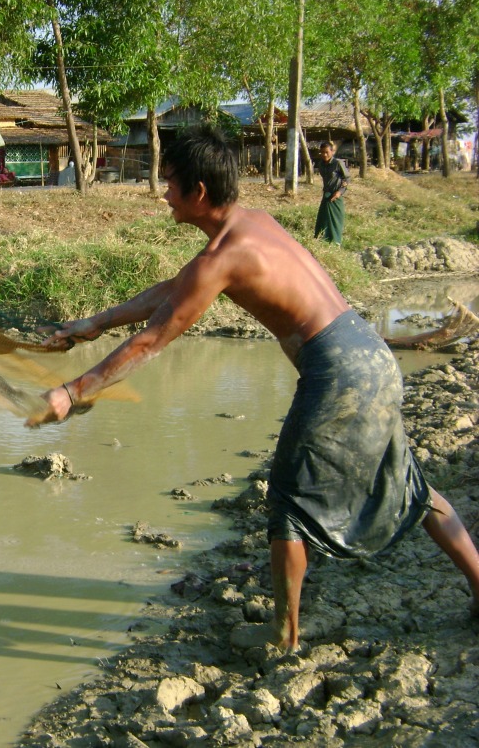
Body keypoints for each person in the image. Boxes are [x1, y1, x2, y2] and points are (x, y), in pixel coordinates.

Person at [28, 124, 479, 652]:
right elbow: (174, 290)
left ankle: (283, 636)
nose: (162, 192)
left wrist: (73, 392)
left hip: (337, 376)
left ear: (198, 192)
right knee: (409, 486)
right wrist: (98, 321)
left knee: (287, 502)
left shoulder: (221, 258)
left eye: (170, 182)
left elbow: (152, 342)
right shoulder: (252, 224)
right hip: (372, 355)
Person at [314, 142, 348, 244]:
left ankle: (336, 242)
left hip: (336, 196)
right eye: (322, 152)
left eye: (327, 152)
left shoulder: (337, 163)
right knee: (322, 219)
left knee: (336, 220)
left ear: (332, 152)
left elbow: (346, 178)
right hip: (326, 195)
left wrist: (339, 192)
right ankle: (322, 240)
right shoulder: (320, 164)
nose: (324, 155)